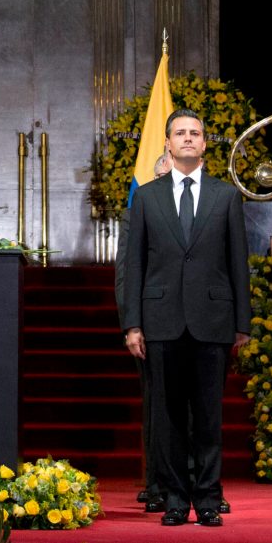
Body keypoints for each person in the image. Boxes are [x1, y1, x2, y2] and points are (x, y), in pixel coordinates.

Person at [121, 108, 250, 528]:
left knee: (209, 416)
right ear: (168, 143)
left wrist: (242, 323)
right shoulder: (147, 196)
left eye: (196, 133)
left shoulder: (226, 196)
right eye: (181, 133)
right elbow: (135, 264)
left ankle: (209, 499)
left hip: (212, 321)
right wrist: (133, 323)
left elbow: (237, 264)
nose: (189, 139)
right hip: (161, 321)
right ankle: (175, 498)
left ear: (205, 144)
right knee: (169, 417)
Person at [114, 150, 171, 512]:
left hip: (195, 323)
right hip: (153, 324)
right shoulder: (138, 212)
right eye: (164, 171)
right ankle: (158, 482)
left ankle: (199, 481)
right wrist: (132, 324)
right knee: (157, 405)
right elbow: (125, 274)